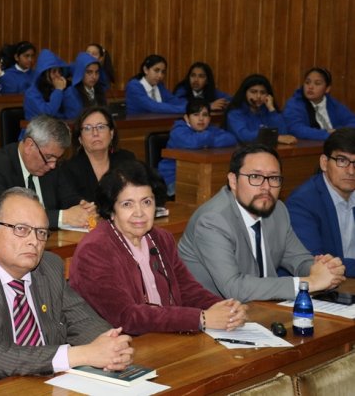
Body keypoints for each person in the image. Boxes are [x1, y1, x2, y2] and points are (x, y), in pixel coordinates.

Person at [0, 187, 134, 378]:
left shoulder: (49, 266)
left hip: (51, 380)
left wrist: (112, 345)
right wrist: (82, 355)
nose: (34, 241)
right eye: (21, 229)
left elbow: (83, 321)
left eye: (41, 232)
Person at [70, 160, 248, 335]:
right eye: (127, 204)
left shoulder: (161, 238)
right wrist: (200, 319)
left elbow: (187, 289)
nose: (139, 212)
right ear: (111, 209)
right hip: (118, 348)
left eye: (146, 202)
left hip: (164, 338)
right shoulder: (94, 249)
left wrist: (225, 308)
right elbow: (126, 316)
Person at [178, 143, 346, 302]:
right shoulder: (212, 220)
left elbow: (298, 259)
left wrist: (324, 270)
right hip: (211, 316)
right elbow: (235, 288)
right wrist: (310, 283)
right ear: (233, 181)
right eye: (255, 177)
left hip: (261, 309)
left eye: (273, 178)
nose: (266, 187)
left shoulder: (277, 210)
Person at [0, 114, 96, 229]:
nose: (52, 165)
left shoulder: (51, 166)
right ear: (30, 146)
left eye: (56, 158)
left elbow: (69, 197)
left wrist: (84, 208)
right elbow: (11, 216)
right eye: (48, 157)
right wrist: (62, 217)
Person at [287, 128, 355, 277]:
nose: (351, 171)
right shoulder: (302, 202)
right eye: (342, 161)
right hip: (318, 291)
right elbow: (315, 264)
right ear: (324, 163)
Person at [158, 99, 237, 196]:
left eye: (205, 115)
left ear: (209, 118)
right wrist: (208, 138)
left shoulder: (210, 129)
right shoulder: (178, 131)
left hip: (198, 176)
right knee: (204, 193)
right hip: (174, 178)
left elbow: (230, 139)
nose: (201, 119)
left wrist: (207, 141)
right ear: (187, 118)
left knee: (218, 189)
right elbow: (192, 143)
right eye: (196, 114)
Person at [59, 106, 136, 203]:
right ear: (80, 139)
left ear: (111, 133)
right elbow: (71, 203)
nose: (95, 133)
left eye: (101, 127)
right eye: (87, 128)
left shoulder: (127, 160)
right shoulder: (69, 169)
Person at [282, 67, 355, 141]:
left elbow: (352, 121)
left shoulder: (332, 103)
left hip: (336, 144)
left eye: (317, 83)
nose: (310, 87)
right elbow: (295, 128)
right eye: (307, 82)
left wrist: (337, 132)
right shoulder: (295, 104)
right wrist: (326, 134)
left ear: (327, 89)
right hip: (310, 147)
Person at [225, 74, 296, 144]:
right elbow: (245, 136)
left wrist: (271, 109)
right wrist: (274, 137)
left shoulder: (268, 111)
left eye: (263, 92)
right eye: (253, 92)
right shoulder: (235, 113)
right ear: (244, 93)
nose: (258, 96)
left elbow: (283, 134)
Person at [23, 49, 68, 120]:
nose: (58, 75)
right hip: (35, 130)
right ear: (43, 74)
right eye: (54, 71)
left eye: (59, 71)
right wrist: (58, 90)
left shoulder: (53, 90)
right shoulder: (31, 93)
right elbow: (48, 114)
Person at [63, 51, 108, 120]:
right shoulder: (71, 93)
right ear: (80, 72)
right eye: (89, 72)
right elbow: (74, 121)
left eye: (97, 72)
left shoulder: (99, 90)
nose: (94, 76)